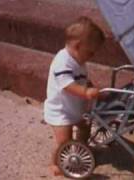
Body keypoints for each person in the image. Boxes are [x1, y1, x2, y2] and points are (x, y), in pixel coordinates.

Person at [43, 16, 105, 176]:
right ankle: (55, 164)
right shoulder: (62, 61)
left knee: (84, 128)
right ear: (78, 46)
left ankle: (80, 149)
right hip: (60, 111)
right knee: (64, 141)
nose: (92, 56)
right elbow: (67, 84)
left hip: (74, 108)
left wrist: (89, 85)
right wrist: (85, 92)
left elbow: (81, 78)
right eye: (90, 52)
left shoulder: (79, 61)